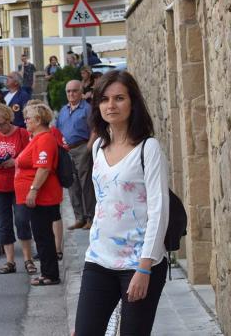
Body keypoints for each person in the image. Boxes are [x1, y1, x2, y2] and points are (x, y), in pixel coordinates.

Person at [74, 71, 170, 336]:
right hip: (99, 258)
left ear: (132, 103)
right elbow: (103, 204)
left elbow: (159, 210)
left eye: (119, 98)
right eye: (104, 99)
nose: (111, 105)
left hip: (138, 263)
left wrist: (144, 267)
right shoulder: (98, 148)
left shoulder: (148, 148)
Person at [0, 103, 34, 276]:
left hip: (18, 183)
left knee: (21, 220)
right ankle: (10, 261)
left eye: (1, 124)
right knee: (4, 224)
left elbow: (31, 156)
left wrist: (15, 162)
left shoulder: (22, 134)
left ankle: (28, 259)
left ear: (8, 119)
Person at [15, 103, 63, 286]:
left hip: (43, 196)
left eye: (28, 118)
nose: (25, 121)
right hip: (38, 196)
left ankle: (50, 274)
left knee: (43, 236)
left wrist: (33, 190)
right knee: (42, 235)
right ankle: (48, 272)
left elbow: (43, 168)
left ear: (38, 120)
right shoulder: (36, 138)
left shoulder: (44, 139)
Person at [57, 80, 95, 231]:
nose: (71, 94)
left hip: (81, 148)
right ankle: (79, 217)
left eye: (74, 91)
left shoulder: (87, 109)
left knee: (86, 184)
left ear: (81, 92)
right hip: (67, 150)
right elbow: (58, 130)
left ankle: (91, 218)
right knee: (72, 185)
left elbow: (95, 129)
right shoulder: (63, 110)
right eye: (68, 91)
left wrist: (88, 147)